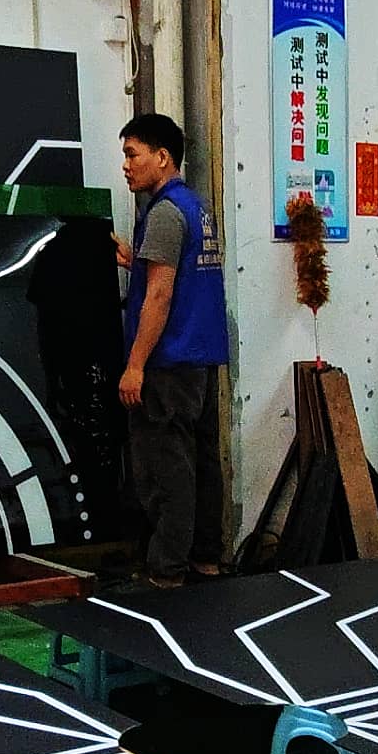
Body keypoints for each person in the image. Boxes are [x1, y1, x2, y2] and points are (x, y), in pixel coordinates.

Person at [114, 111, 229, 588]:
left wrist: (135, 365)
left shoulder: (162, 214)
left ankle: (165, 573)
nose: (125, 166)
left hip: (167, 364)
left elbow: (159, 296)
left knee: (166, 472)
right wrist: (136, 262)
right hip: (200, 359)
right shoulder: (195, 207)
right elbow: (178, 276)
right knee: (201, 465)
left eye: (132, 154)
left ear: (162, 157)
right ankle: (205, 560)